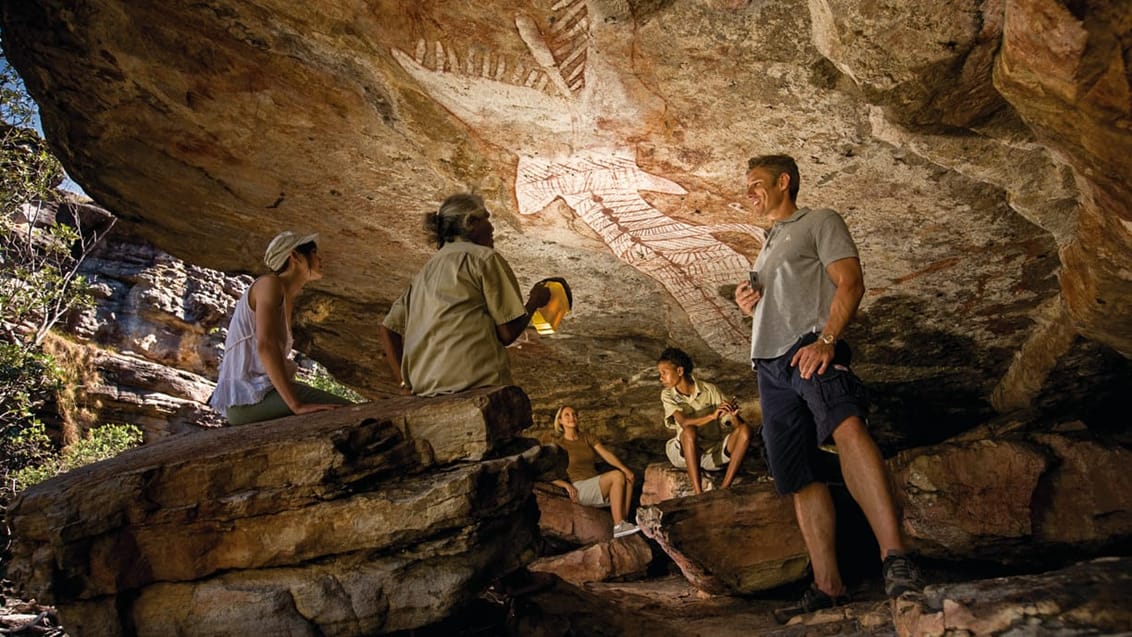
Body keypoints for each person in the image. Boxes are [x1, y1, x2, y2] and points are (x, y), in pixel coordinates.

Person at [734, 154, 923, 621]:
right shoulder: (767, 243)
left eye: (756, 184)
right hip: (769, 366)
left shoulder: (819, 220)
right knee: (798, 474)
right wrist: (749, 306)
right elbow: (777, 300)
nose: (749, 193)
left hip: (807, 347)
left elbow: (851, 282)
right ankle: (828, 584)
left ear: (784, 182)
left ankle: (896, 559)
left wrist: (826, 341)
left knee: (846, 424)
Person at [380, 193, 550, 396]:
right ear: (471, 222)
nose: (492, 227)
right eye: (486, 218)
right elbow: (507, 334)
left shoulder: (423, 274)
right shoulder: (484, 259)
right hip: (477, 384)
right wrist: (534, 301)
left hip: (425, 392)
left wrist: (404, 384)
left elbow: (388, 329)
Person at [209, 231, 352, 425]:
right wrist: (296, 405)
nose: (320, 258)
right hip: (248, 400)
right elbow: (266, 345)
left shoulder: (284, 296)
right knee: (353, 412)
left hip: (256, 398)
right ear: (295, 256)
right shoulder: (269, 284)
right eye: (313, 252)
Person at [656, 347, 753, 495]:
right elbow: (684, 423)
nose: (660, 378)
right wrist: (712, 416)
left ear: (680, 371)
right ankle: (698, 492)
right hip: (684, 453)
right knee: (689, 431)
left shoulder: (710, 390)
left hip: (710, 454)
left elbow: (738, 429)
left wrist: (734, 416)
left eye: (664, 373)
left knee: (745, 430)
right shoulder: (667, 395)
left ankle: (724, 488)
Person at [549, 405, 641, 539]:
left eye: (574, 414)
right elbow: (545, 473)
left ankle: (623, 523)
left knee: (628, 478)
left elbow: (606, 454)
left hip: (595, 484)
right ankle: (619, 525)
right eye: (567, 415)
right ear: (560, 422)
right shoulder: (559, 444)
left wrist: (625, 469)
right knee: (616, 476)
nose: (571, 417)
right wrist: (565, 485)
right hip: (580, 488)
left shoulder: (587, 437)